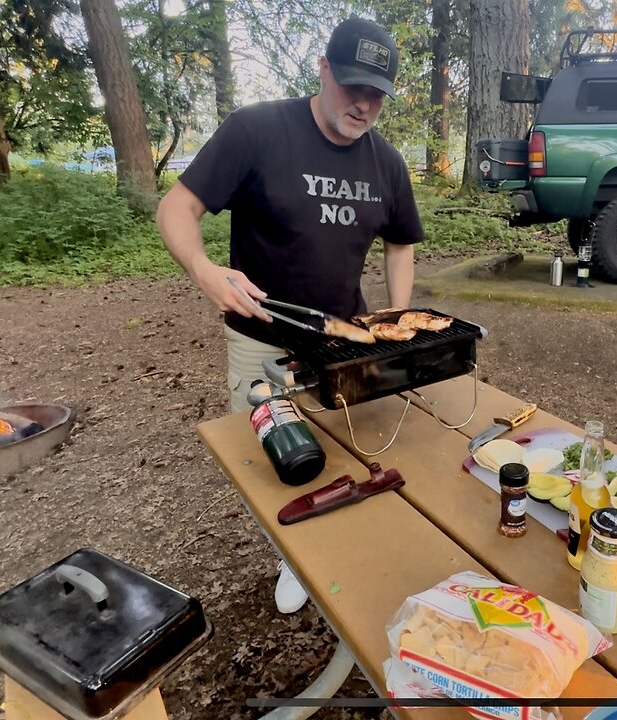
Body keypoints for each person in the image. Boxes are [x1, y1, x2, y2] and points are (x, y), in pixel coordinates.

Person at [156, 17, 422, 614]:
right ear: (322, 68)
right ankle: (292, 554)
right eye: (352, 85)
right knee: (277, 459)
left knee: (350, 449)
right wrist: (203, 269)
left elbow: (400, 240)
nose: (363, 103)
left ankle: (337, 548)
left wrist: (396, 313)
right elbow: (178, 205)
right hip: (263, 341)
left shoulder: (388, 162)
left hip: (345, 340)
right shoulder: (257, 130)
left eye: (376, 93)